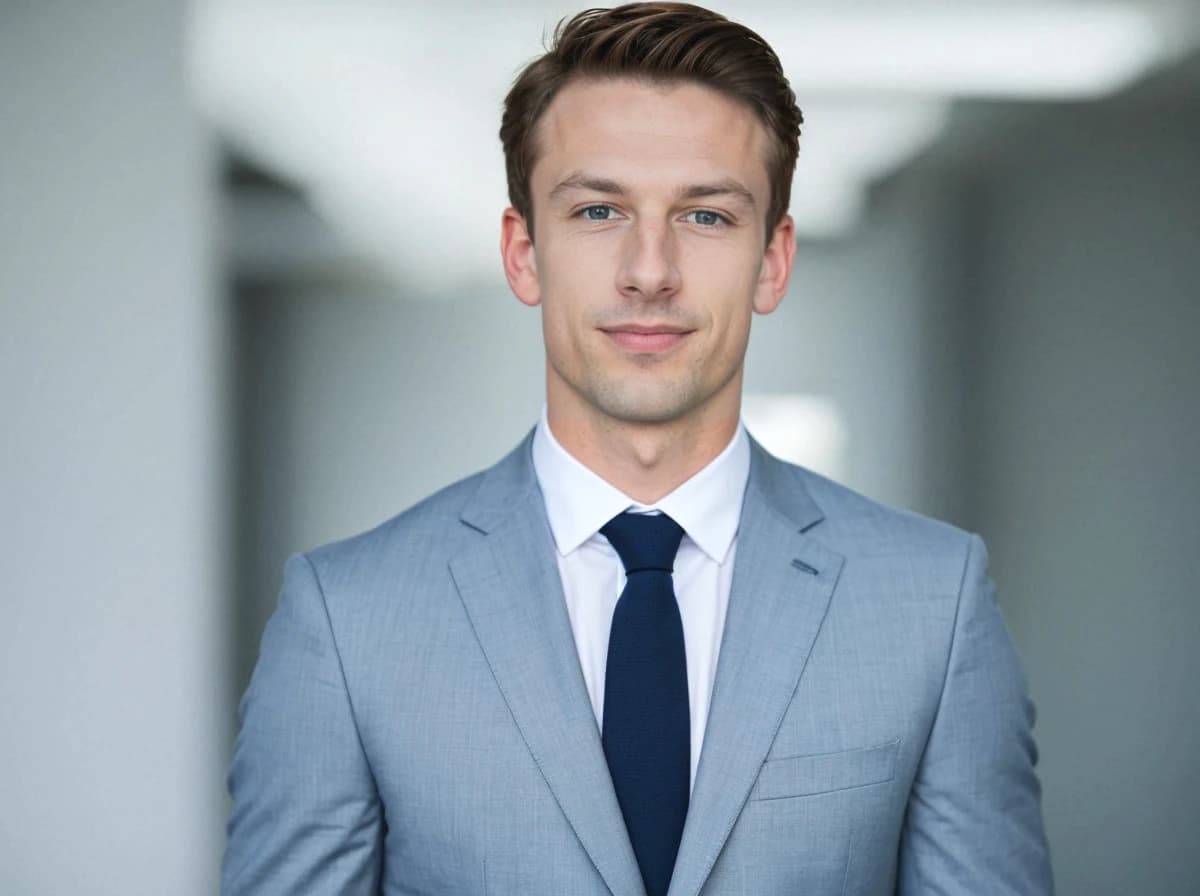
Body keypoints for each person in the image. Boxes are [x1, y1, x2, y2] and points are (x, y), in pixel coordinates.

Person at [221, 3, 1053, 894]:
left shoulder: (933, 602)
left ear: (772, 261)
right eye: (597, 210)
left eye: (704, 217)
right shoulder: (347, 621)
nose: (648, 270)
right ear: (524, 252)